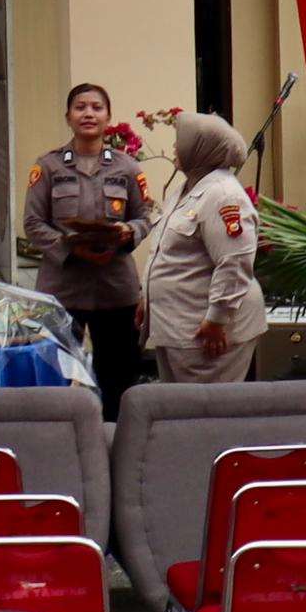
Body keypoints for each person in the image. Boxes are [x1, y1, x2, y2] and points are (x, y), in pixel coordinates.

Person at [22, 85, 154, 417]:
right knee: (56, 378)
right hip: (63, 289)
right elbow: (33, 223)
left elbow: (144, 218)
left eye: (97, 107)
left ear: (109, 117)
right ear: (68, 117)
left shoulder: (127, 168)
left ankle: (114, 442)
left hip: (115, 291)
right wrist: (70, 250)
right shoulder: (48, 167)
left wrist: (127, 232)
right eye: (80, 107)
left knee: (118, 381)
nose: (88, 114)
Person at [140, 112, 266, 388]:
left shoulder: (223, 195)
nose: (175, 147)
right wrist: (147, 301)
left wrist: (217, 320)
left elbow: (234, 262)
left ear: (201, 148)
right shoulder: (188, 187)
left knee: (207, 415)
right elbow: (166, 252)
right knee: (182, 413)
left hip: (207, 334)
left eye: (180, 142)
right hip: (178, 325)